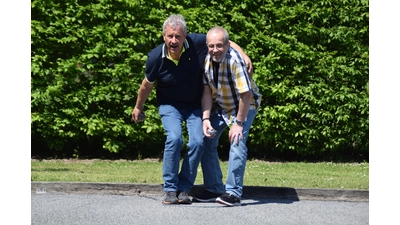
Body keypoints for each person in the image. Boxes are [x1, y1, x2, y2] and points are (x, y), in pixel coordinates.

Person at [131, 15, 253, 205]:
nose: (174, 40)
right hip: (170, 105)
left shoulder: (198, 44)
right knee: (175, 138)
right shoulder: (156, 57)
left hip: (203, 105)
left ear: (185, 36)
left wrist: (244, 55)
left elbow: (222, 40)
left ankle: (190, 189)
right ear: (164, 36)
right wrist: (138, 107)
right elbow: (147, 85)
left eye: (178, 36)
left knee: (201, 141)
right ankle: (172, 188)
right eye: (170, 36)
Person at [193, 26, 261, 206]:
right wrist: (206, 119)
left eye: (219, 46)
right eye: (211, 46)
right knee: (205, 139)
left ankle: (233, 193)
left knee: (237, 140)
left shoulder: (234, 61)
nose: (215, 50)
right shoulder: (207, 61)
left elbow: (246, 96)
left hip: (245, 106)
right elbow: (207, 92)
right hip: (224, 107)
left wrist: (238, 123)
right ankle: (214, 188)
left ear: (227, 45)